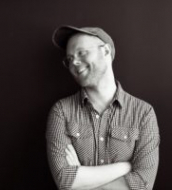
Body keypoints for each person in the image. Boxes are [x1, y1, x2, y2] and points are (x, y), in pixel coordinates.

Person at [46, 25, 160, 190]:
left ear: (106, 51)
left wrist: (82, 182)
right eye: (69, 59)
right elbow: (64, 181)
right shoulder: (61, 111)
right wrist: (125, 167)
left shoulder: (143, 112)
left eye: (81, 53)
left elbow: (142, 184)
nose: (74, 62)